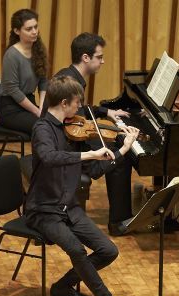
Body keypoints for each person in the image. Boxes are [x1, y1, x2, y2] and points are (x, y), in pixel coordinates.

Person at [24, 75, 140, 296]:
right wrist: (89, 153)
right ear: (64, 103)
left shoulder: (73, 130)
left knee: (108, 251)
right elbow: (49, 157)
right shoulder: (42, 129)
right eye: (77, 103)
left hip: (69, 207)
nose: (80, 109)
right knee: (77, 250)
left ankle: (63, 287)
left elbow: (96, 171)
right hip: (43, 210)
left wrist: (124, 149)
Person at [43, 32, 134, 236]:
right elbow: (70, 122)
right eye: (99, 57)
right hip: (66, 149)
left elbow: (79, 113)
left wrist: (105, 112)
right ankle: (119, 221)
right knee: (119, 157)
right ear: (86, 58)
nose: (103, 61)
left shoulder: (69, 76)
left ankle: (122, 215)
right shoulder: (70, 82)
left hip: (68, 139)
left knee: (116, 143)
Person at [0, 9, 48, 135]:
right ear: (17, 31)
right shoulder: (11, 55)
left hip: (30, 104)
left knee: (56, 122)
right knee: (43, 127)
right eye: (29, 29)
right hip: (10, 109)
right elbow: (13, 90)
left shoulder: (38, 49)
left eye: (36, 27)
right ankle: (45, 155)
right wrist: (37, 111)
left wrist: (42, 107)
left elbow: (43, 81)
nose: (34, 31)